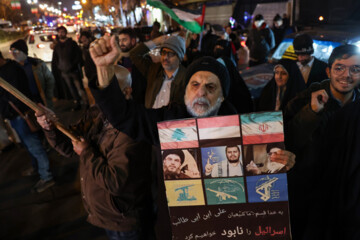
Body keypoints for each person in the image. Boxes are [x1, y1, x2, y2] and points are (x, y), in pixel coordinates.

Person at [86, 35, 295, 239]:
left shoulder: (244, 131)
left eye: (210, 87)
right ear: (185, 90)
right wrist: (104, 70)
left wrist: (281, 160)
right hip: (179, 229)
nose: (201, 92)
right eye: (195, 84)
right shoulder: (168, 121)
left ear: (222, 96)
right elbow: (123, 116)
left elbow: (265, 179)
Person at [35, 81, 154, 240]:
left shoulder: (131, 129)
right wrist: (51, 126)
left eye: (109, 90)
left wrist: (86, 152)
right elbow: (70, 146)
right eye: (100, 90)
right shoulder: (97, 112)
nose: (101, 96)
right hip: (107, 215)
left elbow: (115, 181)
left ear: (127, 91)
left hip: (122, 220)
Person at [284, 44, 360, 240]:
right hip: (308, 199)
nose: (347, 75)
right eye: (340, 68)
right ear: (328, 70)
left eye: (355, 69)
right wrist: (311, 112)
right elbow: (287, 142)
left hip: (347, 201)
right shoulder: (303, 100)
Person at [0, 51, 54, 193]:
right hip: (14, 115)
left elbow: (16, 95)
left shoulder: (11, 70)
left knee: (34, 145)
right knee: (28, 145)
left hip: (21, 114)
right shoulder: (9, 69)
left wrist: (9, 106)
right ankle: (36, 167)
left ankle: (46, 176)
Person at [129, 35, 186, 108]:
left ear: (179, 57)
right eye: (163, 52)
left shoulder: (186, 78)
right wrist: (156, 41)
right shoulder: (154, 71)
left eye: (171, 54)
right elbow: (134, 54)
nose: (165, 57)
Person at [10, 39, 55, 110]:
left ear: (23, 51)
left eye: (15, 51)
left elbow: (49, 79)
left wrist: (48, 95)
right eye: (11, 51)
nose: (13, 53)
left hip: (40, 98)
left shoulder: (38, 64)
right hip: (25, 102)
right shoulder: (12, 68)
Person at [52, 26, 84, 110]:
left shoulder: (72, 43)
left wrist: (73, 65)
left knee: (80, 87)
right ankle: (77, 102)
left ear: (65, 33)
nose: (60, 34)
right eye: (59, 32)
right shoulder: (57, 46)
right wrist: (59, 67)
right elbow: (55, 58)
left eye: (62, 32)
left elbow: (78, 56)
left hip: (74, 71)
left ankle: (86, 103)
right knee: (71, 88)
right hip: (64, 71)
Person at [117, 28, 147, 104]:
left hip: (141, 102)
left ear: (133, 41)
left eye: (124, 40)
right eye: (120, 40)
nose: (121, 43)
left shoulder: (143, 58)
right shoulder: (119, 60)